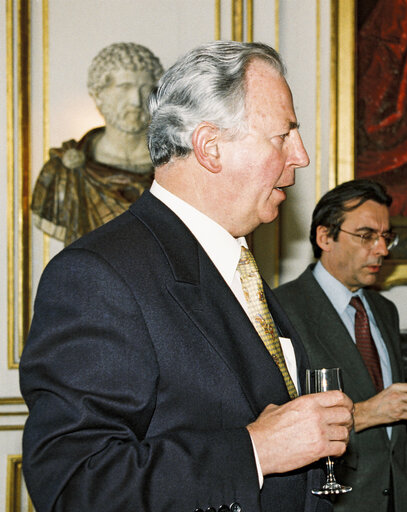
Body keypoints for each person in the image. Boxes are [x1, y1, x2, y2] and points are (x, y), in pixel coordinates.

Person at [20, 41, 353, 512]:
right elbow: (76, 485)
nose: (300, 156)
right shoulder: (97, 276)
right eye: (283, 136)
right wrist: (256, 451)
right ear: (210, 147)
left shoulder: (237, 263)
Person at [274, 179, 407, 512]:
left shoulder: (383, 310)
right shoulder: (280, 310)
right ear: (324, 237)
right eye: (366, 236)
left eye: (386, 237)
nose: (382, 249)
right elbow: (274, 419)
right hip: (336, 501)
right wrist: (366, 413)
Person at [31, 42, 164, 245]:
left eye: (145, 88)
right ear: (98, 94)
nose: (136, 101)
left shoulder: (177, 166)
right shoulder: (63, 173)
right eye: (124, 87)